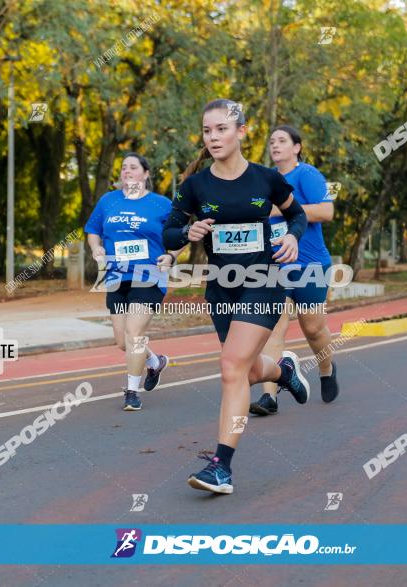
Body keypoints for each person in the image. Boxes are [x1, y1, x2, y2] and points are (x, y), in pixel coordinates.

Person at [162, 99, 309, 494]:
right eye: (207, 130)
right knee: (245, 369)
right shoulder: (194, 186)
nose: (213, 137)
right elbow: (169, 232)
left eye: (222, 129)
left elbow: (298, 215)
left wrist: (293, 238)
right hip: (221, 284)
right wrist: (186, 235)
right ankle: (284, 372)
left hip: (264, 278)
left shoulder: (266, 179)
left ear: (241, 132)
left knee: (230, 367)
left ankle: (220, 467)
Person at [249, 125, 338, 417]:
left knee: (313, 328)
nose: (275, 145)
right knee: (275, 327)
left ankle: (326, 368)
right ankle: (269, 396)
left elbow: (326, 212)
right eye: (271, 141)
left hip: (311, 264)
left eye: (282, 140)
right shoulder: (264, 179)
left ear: (296, 147)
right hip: (277, 264)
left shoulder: (307, 175)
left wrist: (279, 210)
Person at [86, 153, 180, 411]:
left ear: (146, 174)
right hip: (117, 275)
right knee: (122, 341)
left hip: (149, 275)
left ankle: (131, 392)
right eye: (123, 167)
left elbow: (180, 235)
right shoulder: (109, 201)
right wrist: (96, 249)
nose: (126, 171)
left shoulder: (161, 204)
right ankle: (155, 362)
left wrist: (171, 255)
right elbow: (93, 230)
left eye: (133, 167)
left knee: (134, 333)